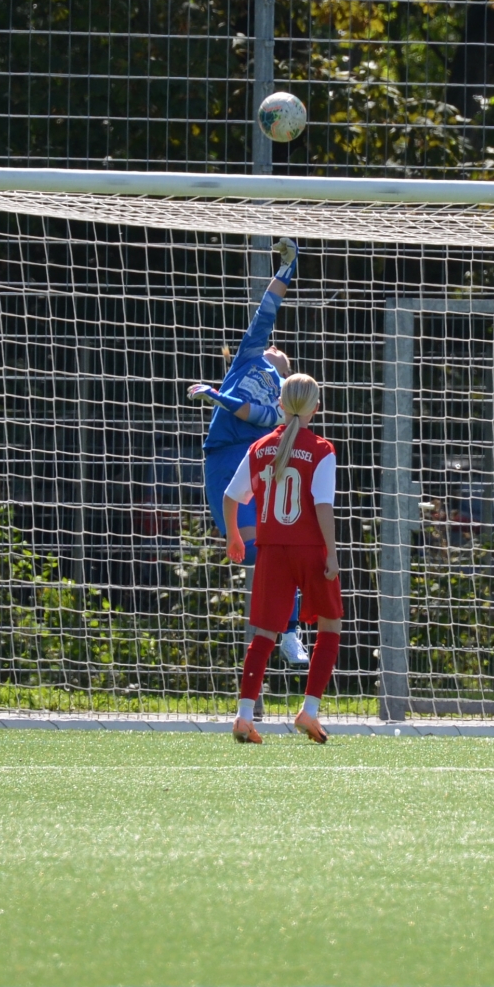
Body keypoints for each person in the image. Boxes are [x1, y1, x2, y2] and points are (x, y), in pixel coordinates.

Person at [188, 238, 310, 677]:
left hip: (252, 466)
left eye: (280, 350)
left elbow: (249, 412)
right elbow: (267, 310)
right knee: (260, 552)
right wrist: (287, 268)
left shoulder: (280, 399)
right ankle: (280, 631)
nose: (274, 344)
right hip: (223, 463)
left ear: (285, 366)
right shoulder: (249, 354)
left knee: (280, 550)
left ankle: (290, 631)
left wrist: (214, 395)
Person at [224, 375, 344, 745]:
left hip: (272, 550)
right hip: (310, 549)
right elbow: (322, 506)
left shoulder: (260, 447)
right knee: (330, 626)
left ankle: (244, 716)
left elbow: (231, 496)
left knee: (263, 634)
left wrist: (232, 535)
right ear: (316, 408)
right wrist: (333, 554)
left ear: (280, 403)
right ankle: (309, 710)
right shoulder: (322, 449)